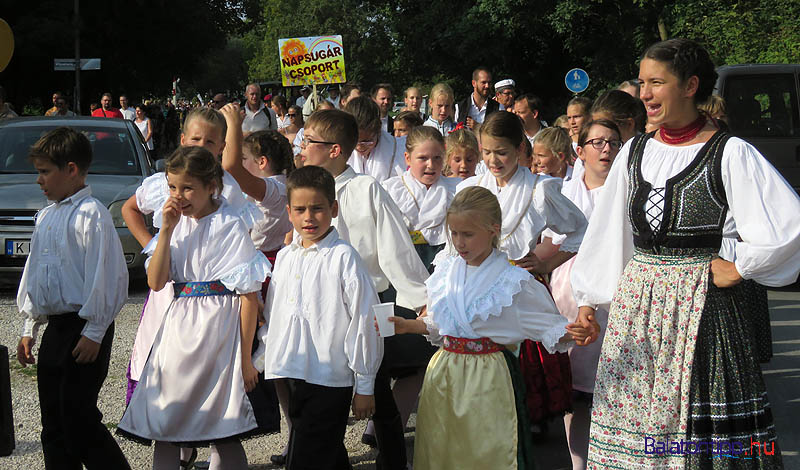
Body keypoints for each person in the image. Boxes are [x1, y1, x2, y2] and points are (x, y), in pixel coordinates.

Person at [571, 38, 800, 469]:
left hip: (704, 315)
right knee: (635, 430)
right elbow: (607, 235)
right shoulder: (633, 152)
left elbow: (789, 227)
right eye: (642, 83)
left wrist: (741, 266)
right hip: (637, 317)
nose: (645, 94)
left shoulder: (730, 152)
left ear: (691, 85)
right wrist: (588, 302)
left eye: (657, 83)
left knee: (702, 435)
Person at [389, 186, 594, 470]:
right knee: (442, 447)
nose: (459, 243)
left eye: (468, 234)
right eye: (455, 233)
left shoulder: (512, 282)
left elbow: (549, 325)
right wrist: (407, 326)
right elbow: (439, 324)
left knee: (486, 449)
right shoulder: (446, 273)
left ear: (493, 230)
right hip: (444, 372)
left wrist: (576, 331)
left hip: (488, 375)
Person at [118, 146, 272, 470]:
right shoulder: (174, 222)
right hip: (178, 328)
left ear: (211, 186)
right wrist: (166, 232)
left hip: (217, 329)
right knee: (165, 423)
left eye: (188, 188)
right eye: (173, 187)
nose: (179, 196)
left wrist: (245, 359)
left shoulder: (229, 223)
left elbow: (247, 295)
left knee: (223, 427)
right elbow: (157, 281)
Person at [298, 109, 430, 470]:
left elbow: (394, 248)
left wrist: (421, 301)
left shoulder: (366, 188)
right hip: (321, 310)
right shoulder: (307, 191)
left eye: (310, 141)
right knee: (326, 393)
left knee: (379, 389)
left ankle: (391, 462)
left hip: (370, 305)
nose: (302, 146)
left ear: (335, 150)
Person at [457, 110, 588, 431]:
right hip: (475, 291)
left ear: (520, 149)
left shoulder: (540, 189)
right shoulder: (472, 187)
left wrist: (547, 262)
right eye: (486, 152)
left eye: (501, 152)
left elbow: (580, 230)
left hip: (518, 291)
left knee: (518, 385)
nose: (493, 160)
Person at [16, 127, 131, 469]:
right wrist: (29, 325)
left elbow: (107, 275)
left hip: (85, 327)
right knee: (53, 422)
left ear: (71, 169)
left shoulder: (92, 213)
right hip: (57, 327)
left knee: (78, 418)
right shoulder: (47, 217)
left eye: (45, 172)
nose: (39, 181)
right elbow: (36, 272)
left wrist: (95, 331)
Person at [258, 165, 382, 470]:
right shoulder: (286, 256)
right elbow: (276, 314)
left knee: (306, 456)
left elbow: (365, 322)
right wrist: (263, 358)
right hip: (294, 372)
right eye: (300, 209)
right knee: (324, 452)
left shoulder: (344, 258)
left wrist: (365, 385)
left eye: (317, 208)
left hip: (330, 376)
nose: (308, 217)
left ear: (334, 208)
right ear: (288, 211)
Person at [538, 119, 622, 470]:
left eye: (613, 143)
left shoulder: (627, 192)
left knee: (612, 387)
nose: (606, 149)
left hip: (614, 295)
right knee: (574, 392)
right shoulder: (565, 191)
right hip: (568, 294)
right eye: (597, 142)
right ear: (580, 150)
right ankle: (579, 464)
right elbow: (546, 242)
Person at [344, 96, 406, 183]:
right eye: (354, 141)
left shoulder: (398, 151)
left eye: (366, 141)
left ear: (378, 130)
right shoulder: (341, 153)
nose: (359, 147)